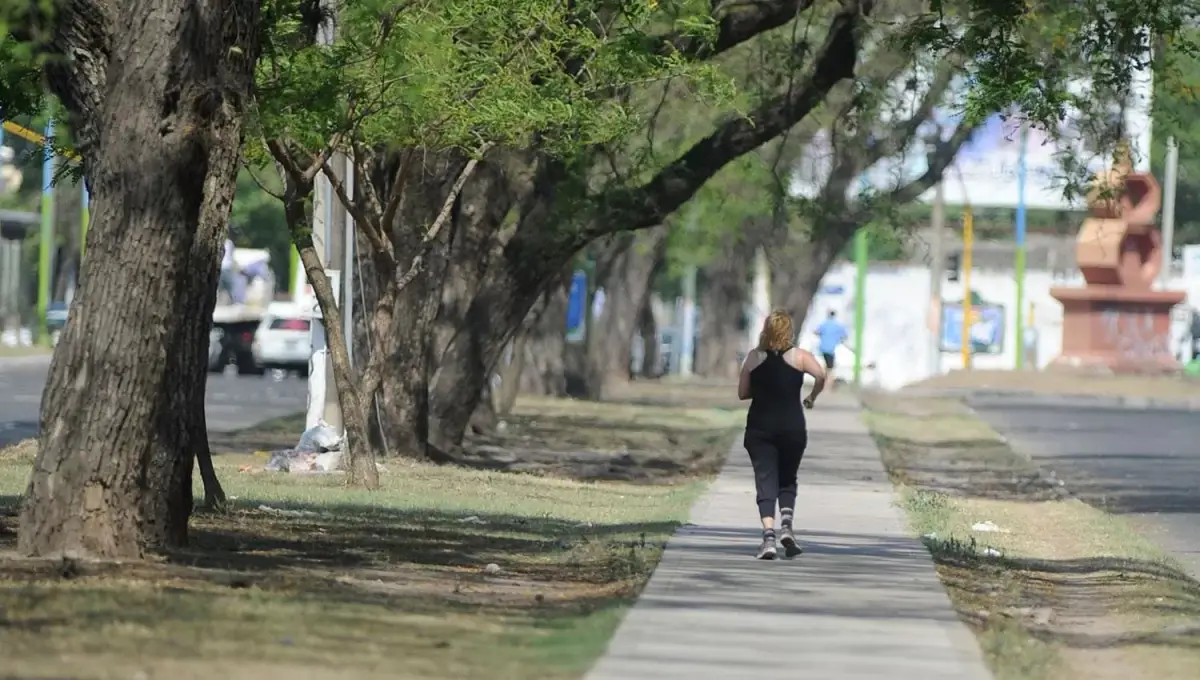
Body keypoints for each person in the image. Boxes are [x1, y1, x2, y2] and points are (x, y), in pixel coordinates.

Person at [738, 309, 827, 560]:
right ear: (789, 331)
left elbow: (743, 393)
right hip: (792, 428)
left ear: (765, 330)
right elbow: (821, 375)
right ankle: (786, 527)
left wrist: (765, 387)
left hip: (759, 429)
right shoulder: (799, 357)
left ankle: (768, 538)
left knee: (765, 480)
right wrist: (811, 397)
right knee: (787, 478)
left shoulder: (754, 358)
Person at [814, 310, 847, 387]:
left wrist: (822, 336)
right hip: (830, 349)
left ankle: (823, 382)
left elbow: (816, 332)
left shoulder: (824, 324)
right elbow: (845, 335)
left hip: (822, 348)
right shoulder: (837, 326)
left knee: (827, 366)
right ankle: (827, 385)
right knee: (830, 368)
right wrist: (838, 339)